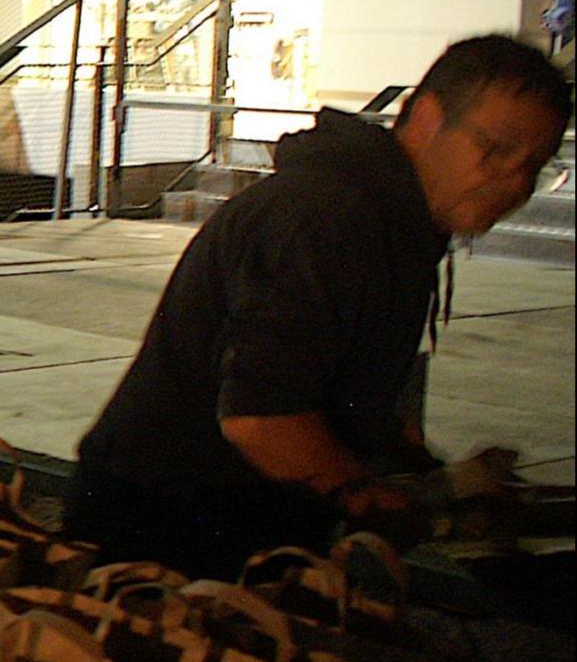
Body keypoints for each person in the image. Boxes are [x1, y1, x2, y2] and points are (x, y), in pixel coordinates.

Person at [65, 34, 570, 580]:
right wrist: (369, 496)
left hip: (236, 517)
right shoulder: (328, 219)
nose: (514, 182)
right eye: (495, 150)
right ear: (424, 118)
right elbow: (262, 419)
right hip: (165, 533)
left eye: (533, 167)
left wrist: (428, 475)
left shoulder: (391, 222)